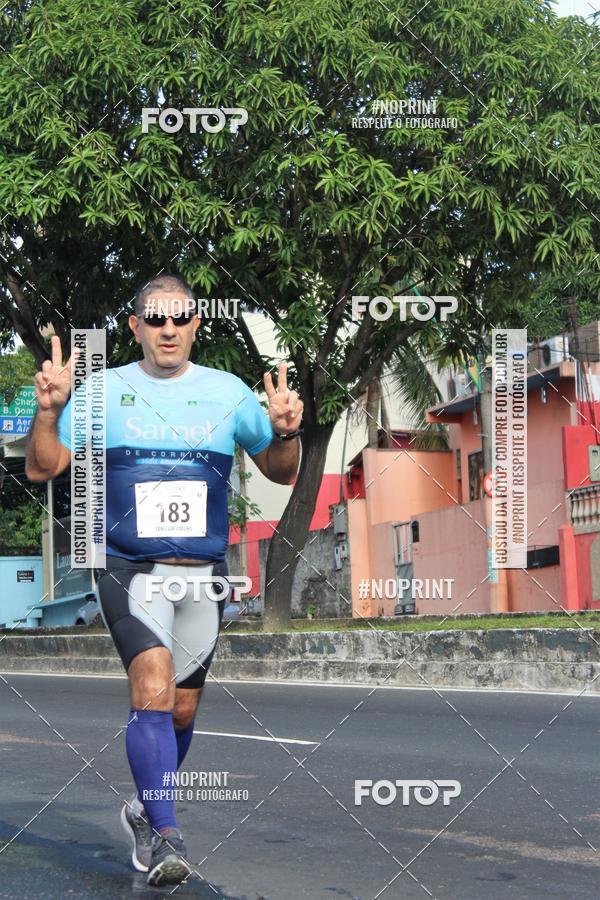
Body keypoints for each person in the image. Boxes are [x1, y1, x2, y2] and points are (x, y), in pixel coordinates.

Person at [25, 274, 304, 886]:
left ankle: (144, 808)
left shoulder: (229, 393)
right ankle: (165, 833)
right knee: (151, 687)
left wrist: (286, 432)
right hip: (126, 567)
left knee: (181, 711)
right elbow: (43, 467)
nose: (168, 329)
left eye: (180, 319)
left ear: (197, 324)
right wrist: (49, 412)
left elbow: (280, 473)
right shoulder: (100, 393)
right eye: (155, 319)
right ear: (137, 328)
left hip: (202, 575)